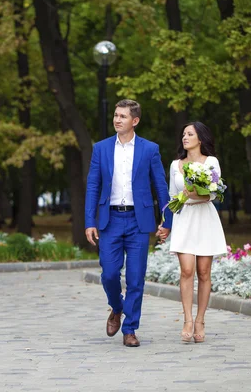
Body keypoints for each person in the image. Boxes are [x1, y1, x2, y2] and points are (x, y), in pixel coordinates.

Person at [85, 99, 173, 348]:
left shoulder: (149, 149)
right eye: (115, 115)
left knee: (136, 278)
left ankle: (130, 328)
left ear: (135, 121)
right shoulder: (100, 148)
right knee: (109, 274)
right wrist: (90, 220)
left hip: (138, 221)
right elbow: (93, 185)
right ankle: (117, 307)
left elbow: (160, 186)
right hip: (110, 220)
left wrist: (167, 220)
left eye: (122, 116)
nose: (117, 120)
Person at [160, 121, 227, 343]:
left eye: (190, 134)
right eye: (183, 134)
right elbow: (171, 196)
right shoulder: (174, 165)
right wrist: (166, 224)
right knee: (187, 270)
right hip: (184, 218)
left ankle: (200, 320)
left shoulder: (212, 162)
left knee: (204, 271)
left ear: (201, 139)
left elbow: (215, 194)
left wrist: (195, 195)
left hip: (205, 217)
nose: (185, 137)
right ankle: (187, 319)